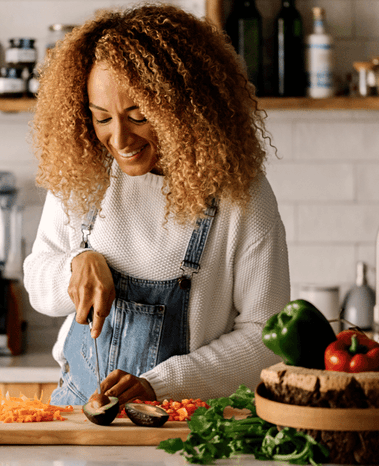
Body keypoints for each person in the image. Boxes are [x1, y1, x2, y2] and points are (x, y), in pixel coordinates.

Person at [23, 3, 289, 407]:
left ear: (184, 107)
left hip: (181, 419)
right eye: (102, 118)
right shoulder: (85, 170)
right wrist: (75, 265)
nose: (120, 140)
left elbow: (265, 337)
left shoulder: (241, 194)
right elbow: (37, 280)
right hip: (75, 410)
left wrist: (160, 386)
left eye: (138, 116)